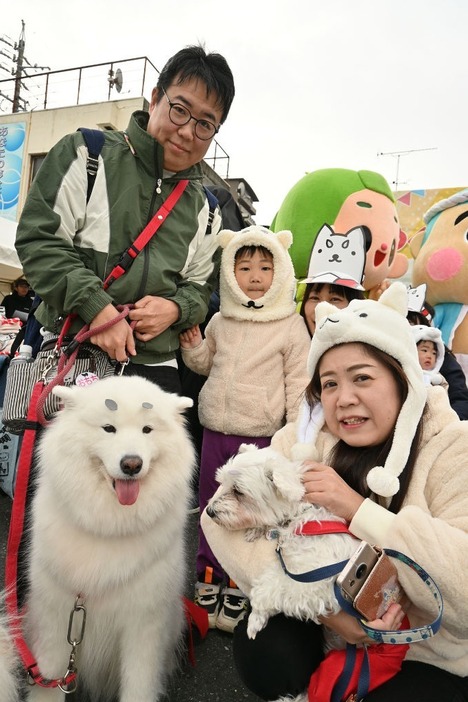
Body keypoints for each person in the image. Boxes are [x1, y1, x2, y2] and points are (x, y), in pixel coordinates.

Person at [202, 282, 468, 702]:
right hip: (329, 628)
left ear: (404, 379)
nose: (343, 399)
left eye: (362, 377)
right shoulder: (307, 442)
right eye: (328, 384)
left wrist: (357, 509)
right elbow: (215, 519)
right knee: (265, 648)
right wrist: (329, 608)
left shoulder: (455, 447)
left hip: (429, 651)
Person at [14, 45, 235, 394]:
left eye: (205, 124)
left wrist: (176, 309)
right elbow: (39, 241)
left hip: (157, 369)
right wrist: (97, 310)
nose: (188, 131)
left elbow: (201, 286)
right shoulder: (87, 153)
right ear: (155, 98)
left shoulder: (208, 210)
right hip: (73, 350)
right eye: (180, 110)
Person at [179, 225, 311, 633]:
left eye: (266, 267)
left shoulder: (290, 325)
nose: (254, 276)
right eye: (244, 266)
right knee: (210, 510)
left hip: (257, 438)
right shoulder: (221, 319)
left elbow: (298, 383)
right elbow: (206, 365)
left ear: (282, 272)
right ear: (229, 273)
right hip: (215, 431)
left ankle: (240, 583)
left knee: (251, 516)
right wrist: (194, 346)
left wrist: (293, 435)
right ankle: (207, 579)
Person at [407, 285, 468, 420]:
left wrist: (446, 424)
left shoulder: (440, 353)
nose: (406, 326)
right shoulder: (381, 351)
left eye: (411, 321)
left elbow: (460, 398)